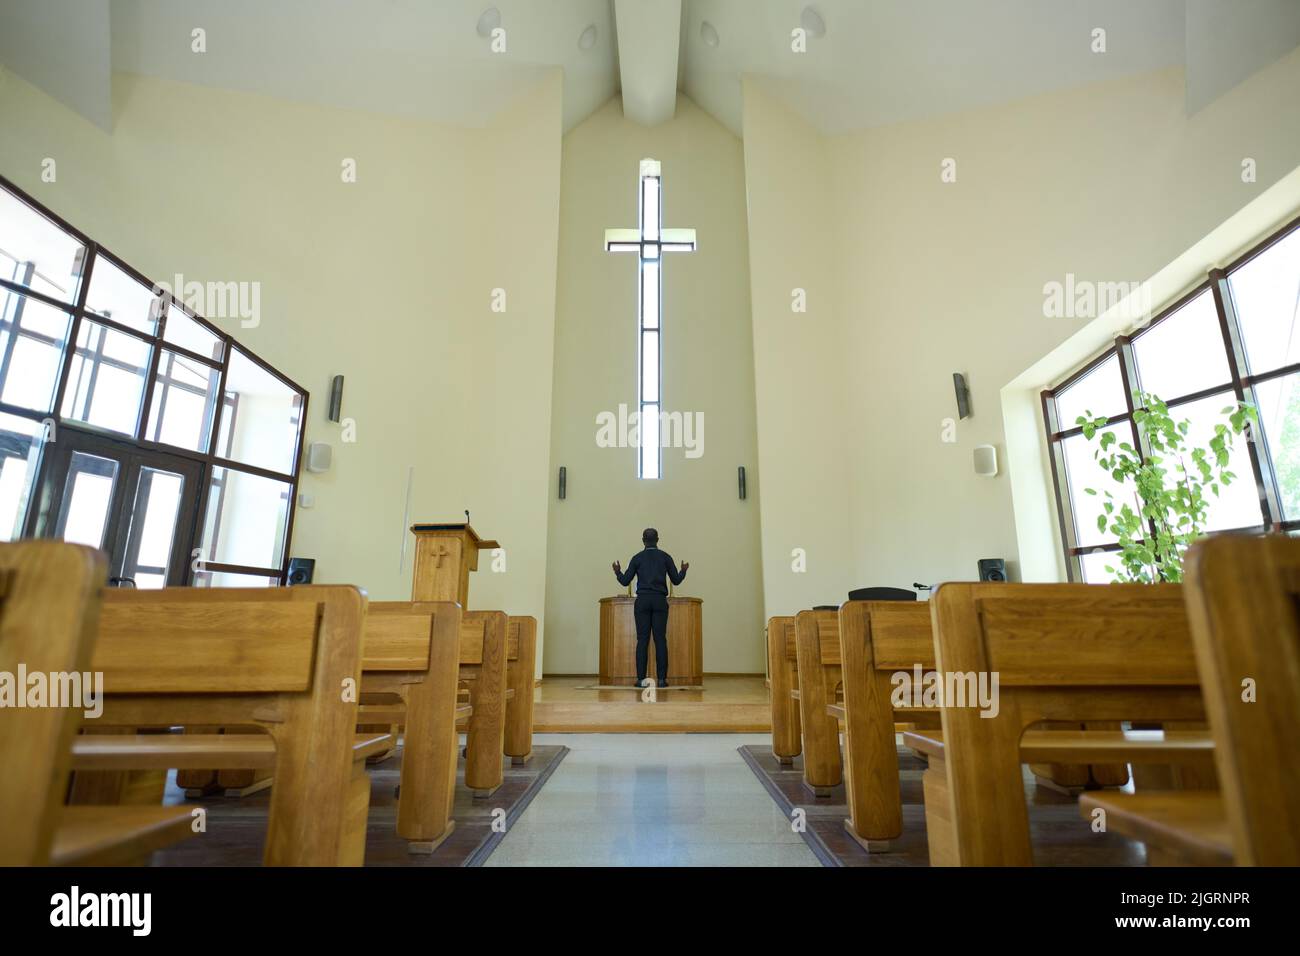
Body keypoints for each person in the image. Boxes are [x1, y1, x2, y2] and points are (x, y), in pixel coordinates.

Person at [612, 528, 688, 688]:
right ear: (658, 539)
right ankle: (661, 680)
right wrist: (683, 571)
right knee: (660, 640)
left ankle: (641, 680)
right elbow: (676, 580)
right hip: (660, 600)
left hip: (643, 601)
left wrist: (618, 572)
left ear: (643, 540)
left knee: (642, 640)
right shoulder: (665, 557)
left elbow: (626, 581)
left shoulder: (637, 558)